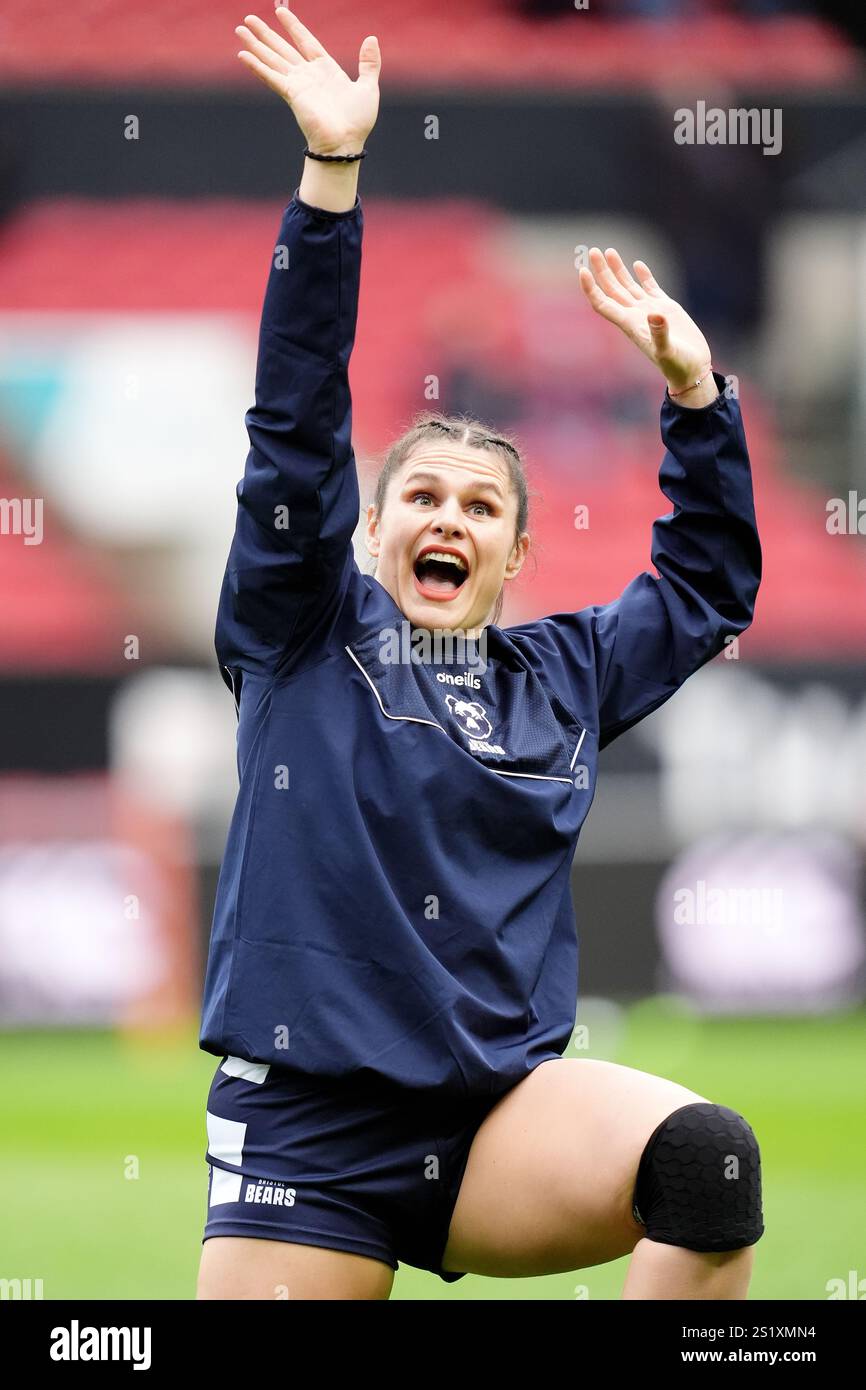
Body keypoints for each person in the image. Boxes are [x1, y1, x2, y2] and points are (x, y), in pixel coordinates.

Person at [196, 7, 763, 1301]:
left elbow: (705, 585)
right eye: (422, 496)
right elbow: (293, 425)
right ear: (373, 527)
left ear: (511, 557)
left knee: (708, 1168)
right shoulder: (300, 629)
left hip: (493, 1120)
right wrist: (329, 181)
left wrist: (692, 394)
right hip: (314, 1129)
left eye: (481, 505)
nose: (447, 515)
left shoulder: (561, 675)